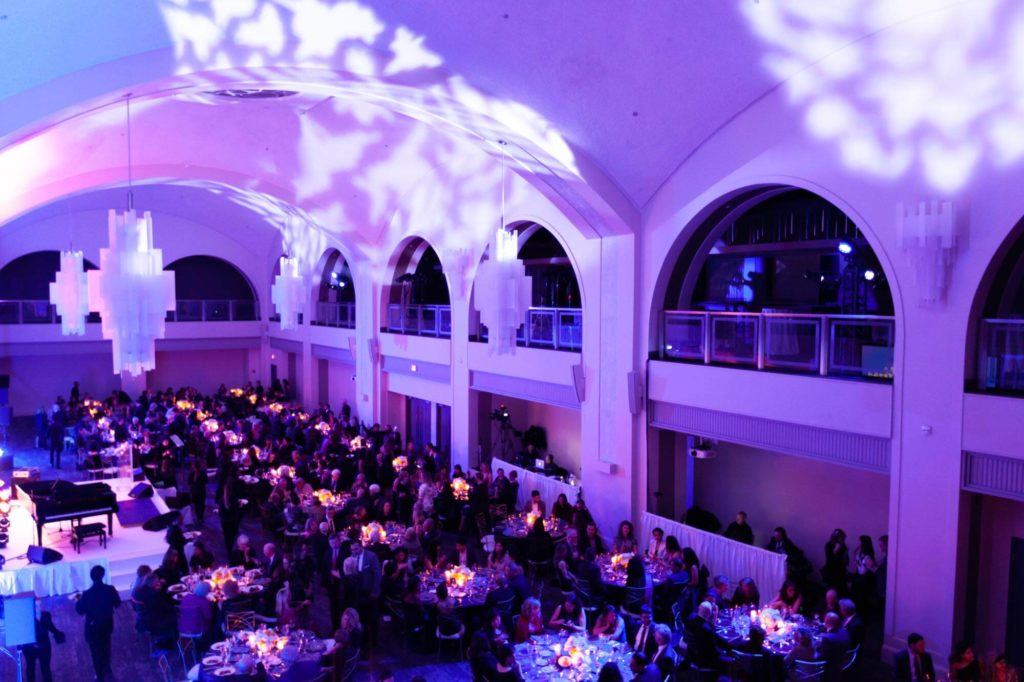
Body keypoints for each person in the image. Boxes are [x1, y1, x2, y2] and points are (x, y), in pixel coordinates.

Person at [75, 565, 122, 682]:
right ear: (103, 576)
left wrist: (78, 600)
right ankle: (107, 671)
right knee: (106, 648)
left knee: (95, 652)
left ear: (91, 578)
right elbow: (118, 603)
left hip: (93, 627)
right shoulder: (110, 589)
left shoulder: (86, 594)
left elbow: (80, 610)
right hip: (107, 625)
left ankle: (99, 676)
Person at [21, 602, 65, 682]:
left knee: (39, 669)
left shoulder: (44, 616)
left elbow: (51, 627)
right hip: (37, 647)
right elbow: (52, 628)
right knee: (37, 669)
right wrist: (57, 633)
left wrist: (57, 633)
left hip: (37, 647)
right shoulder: (43, 616)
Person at [816, 612, 851, 681]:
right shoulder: (845, 631)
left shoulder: (826, 638)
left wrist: (814, 646)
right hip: (843, 660)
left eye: (825, 620)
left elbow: (821, 657)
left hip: (829, 668)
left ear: (826, 622)